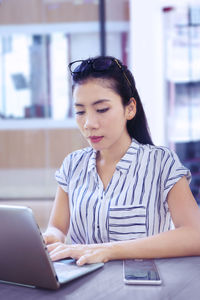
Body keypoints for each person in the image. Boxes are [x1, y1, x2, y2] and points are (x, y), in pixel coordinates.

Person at [43, 56, 200, 266]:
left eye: (101, 109)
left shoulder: (161, 162)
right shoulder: (73, 164)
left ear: (130, 108)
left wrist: (107, 251)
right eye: (80, 111)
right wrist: (50, 238)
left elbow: (194, 235)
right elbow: (57, 228)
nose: (89, 123)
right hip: (80, 286)